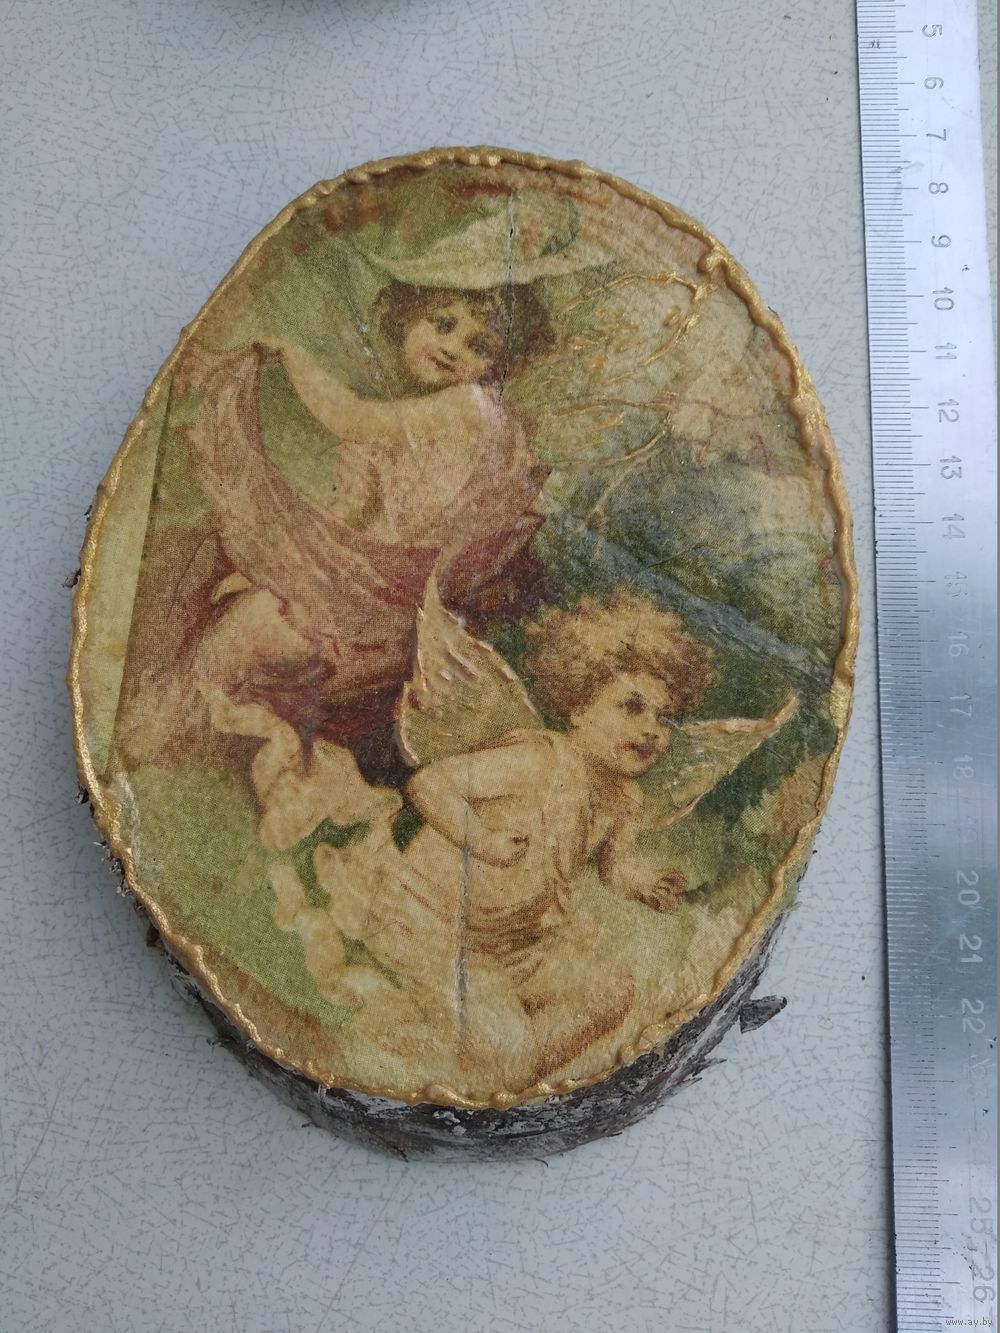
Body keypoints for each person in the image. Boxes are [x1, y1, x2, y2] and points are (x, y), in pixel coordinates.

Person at [271, 590, 717, 1096]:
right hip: (433, 927)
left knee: (610, 993)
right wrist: (479, 840)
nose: (651, 731)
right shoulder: (538, 760)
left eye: (664, 718)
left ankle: (507, 1080)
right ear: (578, 707)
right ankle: (496, 1070)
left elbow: (613, 865)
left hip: (513, 944)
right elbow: (430, 785)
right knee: (507, 1044)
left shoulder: (624, 802)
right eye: (632, 707)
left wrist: (645, 884)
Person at [120, 280, 554, 779]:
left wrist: (289, 351)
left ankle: (153, 744)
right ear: (409, 317)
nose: (452, 348)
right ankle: (156, 744)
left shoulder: (469, 406)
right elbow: (356, 517)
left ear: (498, 366)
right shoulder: (417, 421)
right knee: (214, 570)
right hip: (363, 585)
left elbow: (350, 417)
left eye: (479, 345)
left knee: (235, 625)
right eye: (443, 324)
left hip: (380, 602)